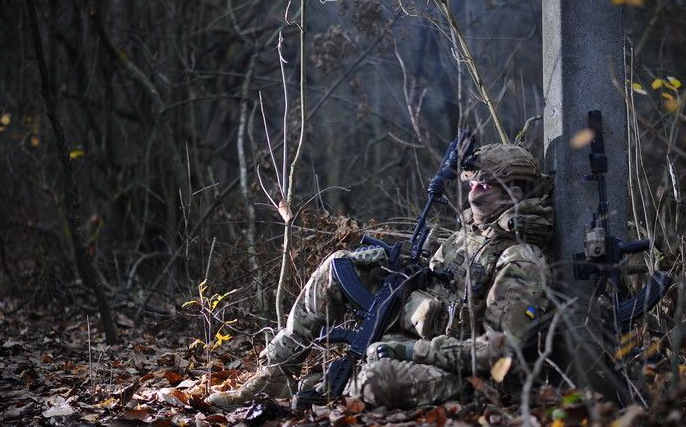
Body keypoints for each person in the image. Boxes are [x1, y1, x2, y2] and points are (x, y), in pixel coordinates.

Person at [207, 143, 555, 408]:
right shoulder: (465, 238)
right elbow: (432, 283)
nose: (473, 191)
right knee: (339, 266)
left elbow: (496, 354)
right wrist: (392, 269)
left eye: (486, 185)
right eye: (472, 183)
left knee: (376, 377)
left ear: (516, 193)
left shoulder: (520, 259)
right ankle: (275, 373)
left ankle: (324, 385)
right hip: (416, 336)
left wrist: (412, 352)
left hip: (467, 375)